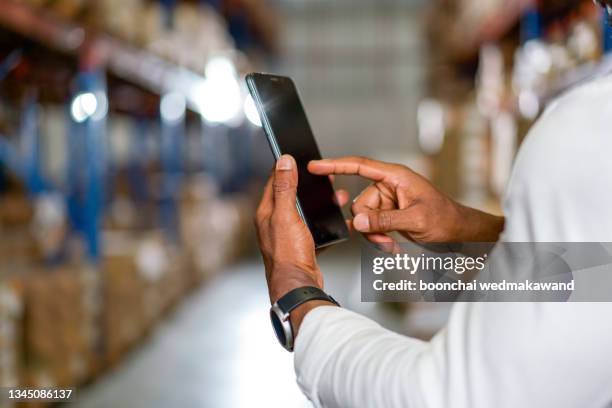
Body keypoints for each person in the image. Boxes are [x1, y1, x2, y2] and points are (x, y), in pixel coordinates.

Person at [255, 23, 612, 408]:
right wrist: (466, 230)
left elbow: (452, 397)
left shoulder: (588, 123)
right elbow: (595, 277)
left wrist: (297, 291)